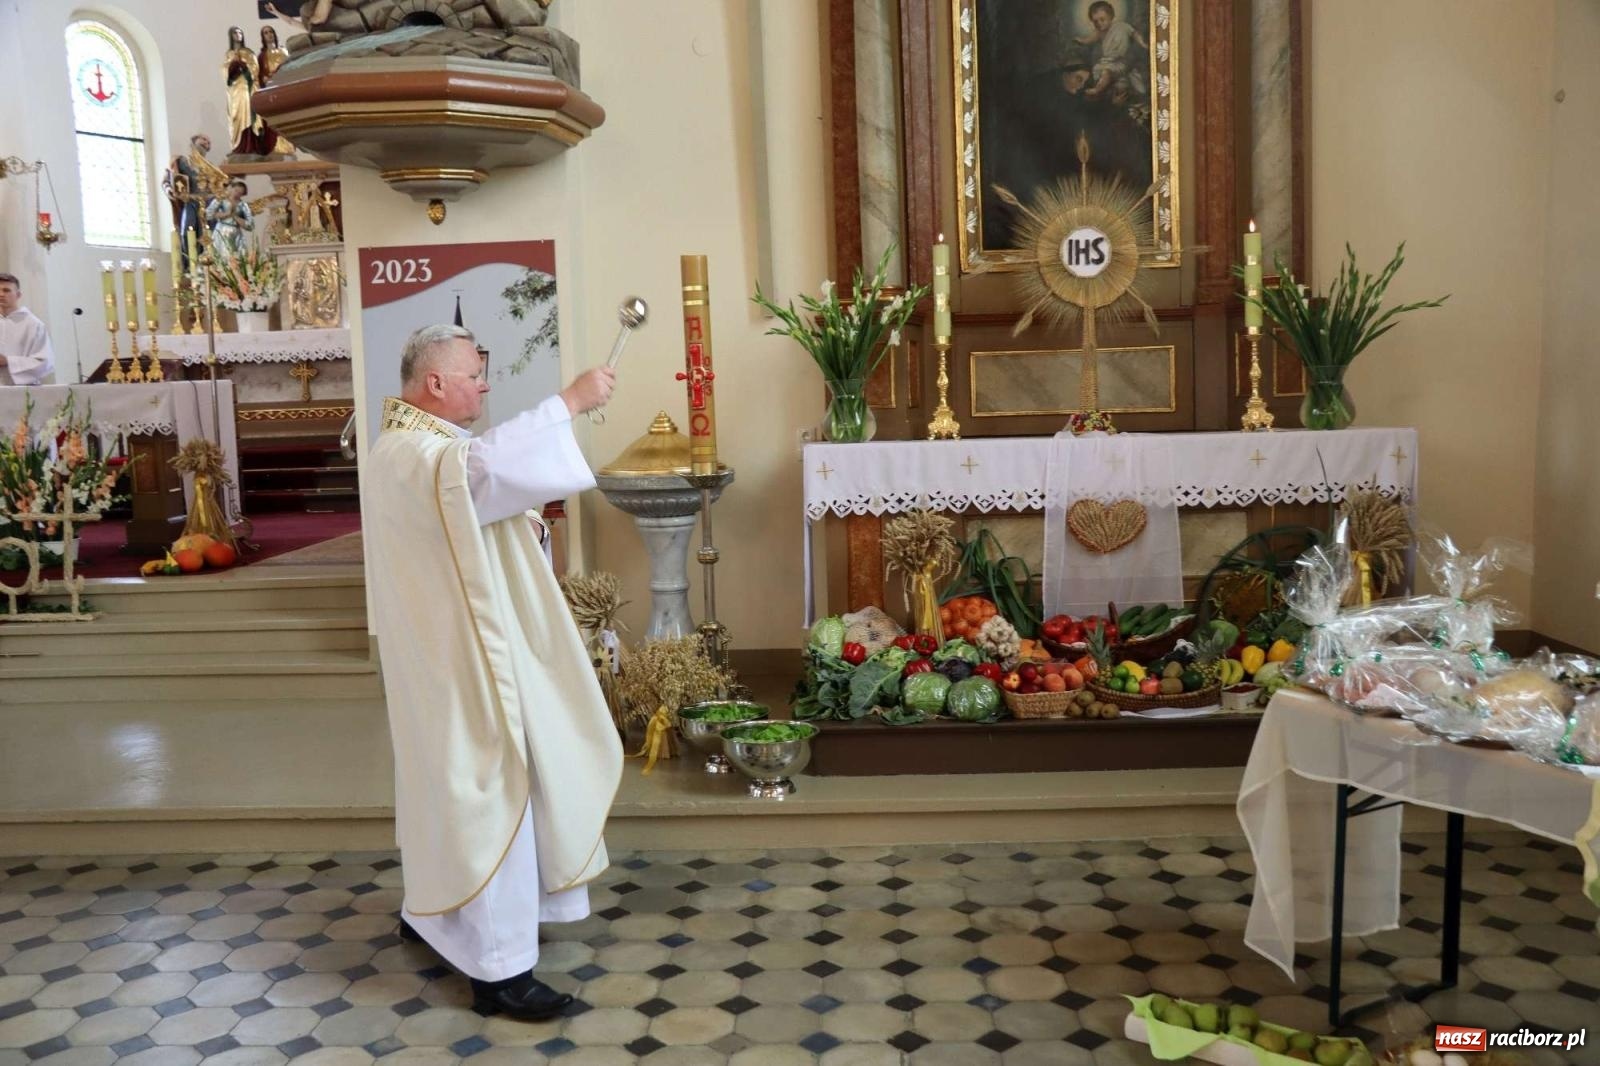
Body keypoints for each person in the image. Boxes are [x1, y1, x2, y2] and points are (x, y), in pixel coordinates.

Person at [363, 324, 622, 1022]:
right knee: (491, 784)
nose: (484, 385)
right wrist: (568, 402)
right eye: (474, 374)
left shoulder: (413, 447)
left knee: (446, 788)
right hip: (460, 660)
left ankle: (431, 913)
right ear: (435, 383)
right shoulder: (416, 452)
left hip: (443, 652)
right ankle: (500, 971)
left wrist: (523, 525)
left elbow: (473, 504)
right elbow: (479, 474)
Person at [1076, 1, 1149, 103]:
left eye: (1102, 19)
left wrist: (1143, 44)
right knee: (1106, 76)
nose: (1099, 23)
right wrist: (1082, 41)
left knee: (1108, 72)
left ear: (1111, 17)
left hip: (1121, 61)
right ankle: (1105, 95)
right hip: (1107, 60)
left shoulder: (1123, 26)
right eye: (1095, 21)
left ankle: (1097, 90)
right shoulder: (1099, 32)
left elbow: (1135, 34)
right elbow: (1089, 39)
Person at [223, 26, 271, 158]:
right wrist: (232, 66)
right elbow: (224, 70)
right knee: (236, 117)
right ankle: (237, 146)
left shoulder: (248, 52)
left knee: (249, 115)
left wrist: (243, 66)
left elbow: (255, 69)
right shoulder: (229, 54)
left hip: (247, 88)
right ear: (231, 36)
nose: (238, 35)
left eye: (240, 33)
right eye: (235, 33)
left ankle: (251, 145)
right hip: (234, 91)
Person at [0, 274, 54, 386]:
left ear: (18, 295)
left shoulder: (34, 324)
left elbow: (44, 362)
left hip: (22, 390)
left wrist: (8, 361)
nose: (1, 294)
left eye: (6, 290)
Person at [257, 26, 296, 157]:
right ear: (263, 37)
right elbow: (260, 75)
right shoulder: (262, 56)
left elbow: (291, 67)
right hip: (271, 90)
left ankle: (289, 145)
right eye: (266, 33)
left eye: (271, 32)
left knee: (288, 117)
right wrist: (266, 78)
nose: (269, 35)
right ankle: (277, 146)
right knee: (275, 118)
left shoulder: (283, 51)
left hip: (285, 87)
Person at [206, 180, 254, 258]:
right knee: (221, 255)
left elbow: (250, 225)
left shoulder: (243, 205)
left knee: (236, 256)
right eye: (236, 190)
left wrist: (235, 217)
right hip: (221, 231)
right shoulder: (220, 200)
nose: (236, 194)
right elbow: (209, 214)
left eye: (240, 193)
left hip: (235, 233)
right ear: (231, 188)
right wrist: (226, 214)